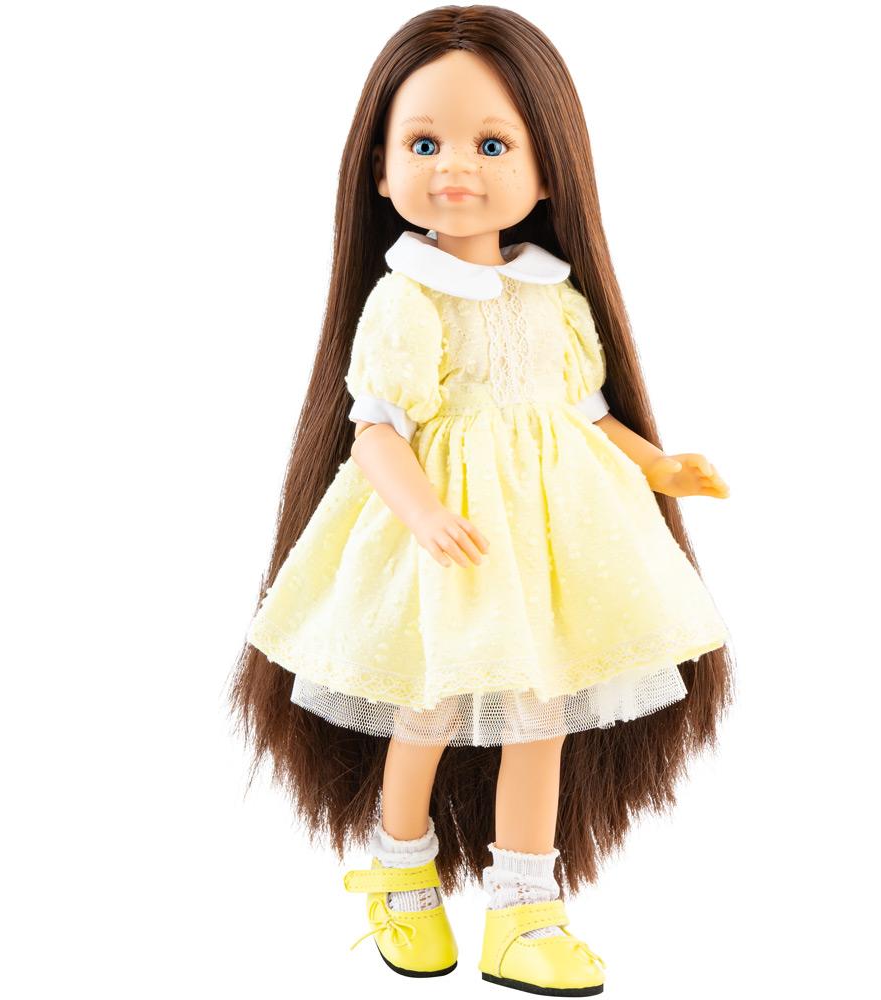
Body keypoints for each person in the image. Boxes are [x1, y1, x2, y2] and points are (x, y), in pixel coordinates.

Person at [227, 7, 735, 995]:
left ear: (547, 175)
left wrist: (660, 468)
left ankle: (523, 910)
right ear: (380, 172)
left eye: (492, 145)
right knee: (426, 710)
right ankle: (401, 872)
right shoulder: (407, 298)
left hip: (542, 549)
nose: (454, 167)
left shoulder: (554, 296)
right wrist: (422, 512)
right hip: (447, 546)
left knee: (542, 716)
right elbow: (377, 430)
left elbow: (585, 413)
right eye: (423, 144)